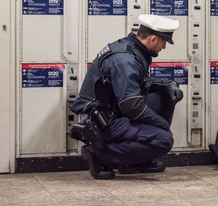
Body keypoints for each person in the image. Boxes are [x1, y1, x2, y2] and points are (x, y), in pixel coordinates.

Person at [69, 14, 182, 180]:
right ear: (152, 39)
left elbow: (138, 83)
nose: (163, 47)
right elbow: (132, 107)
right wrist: (162, 126)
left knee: (165, 95)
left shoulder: (132, 48)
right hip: (102, 119)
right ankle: (100, 154)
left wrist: (167, 85)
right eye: (163, 42)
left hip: (115, 109)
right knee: (164, 140)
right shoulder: (125, 60)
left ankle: (137, 160)